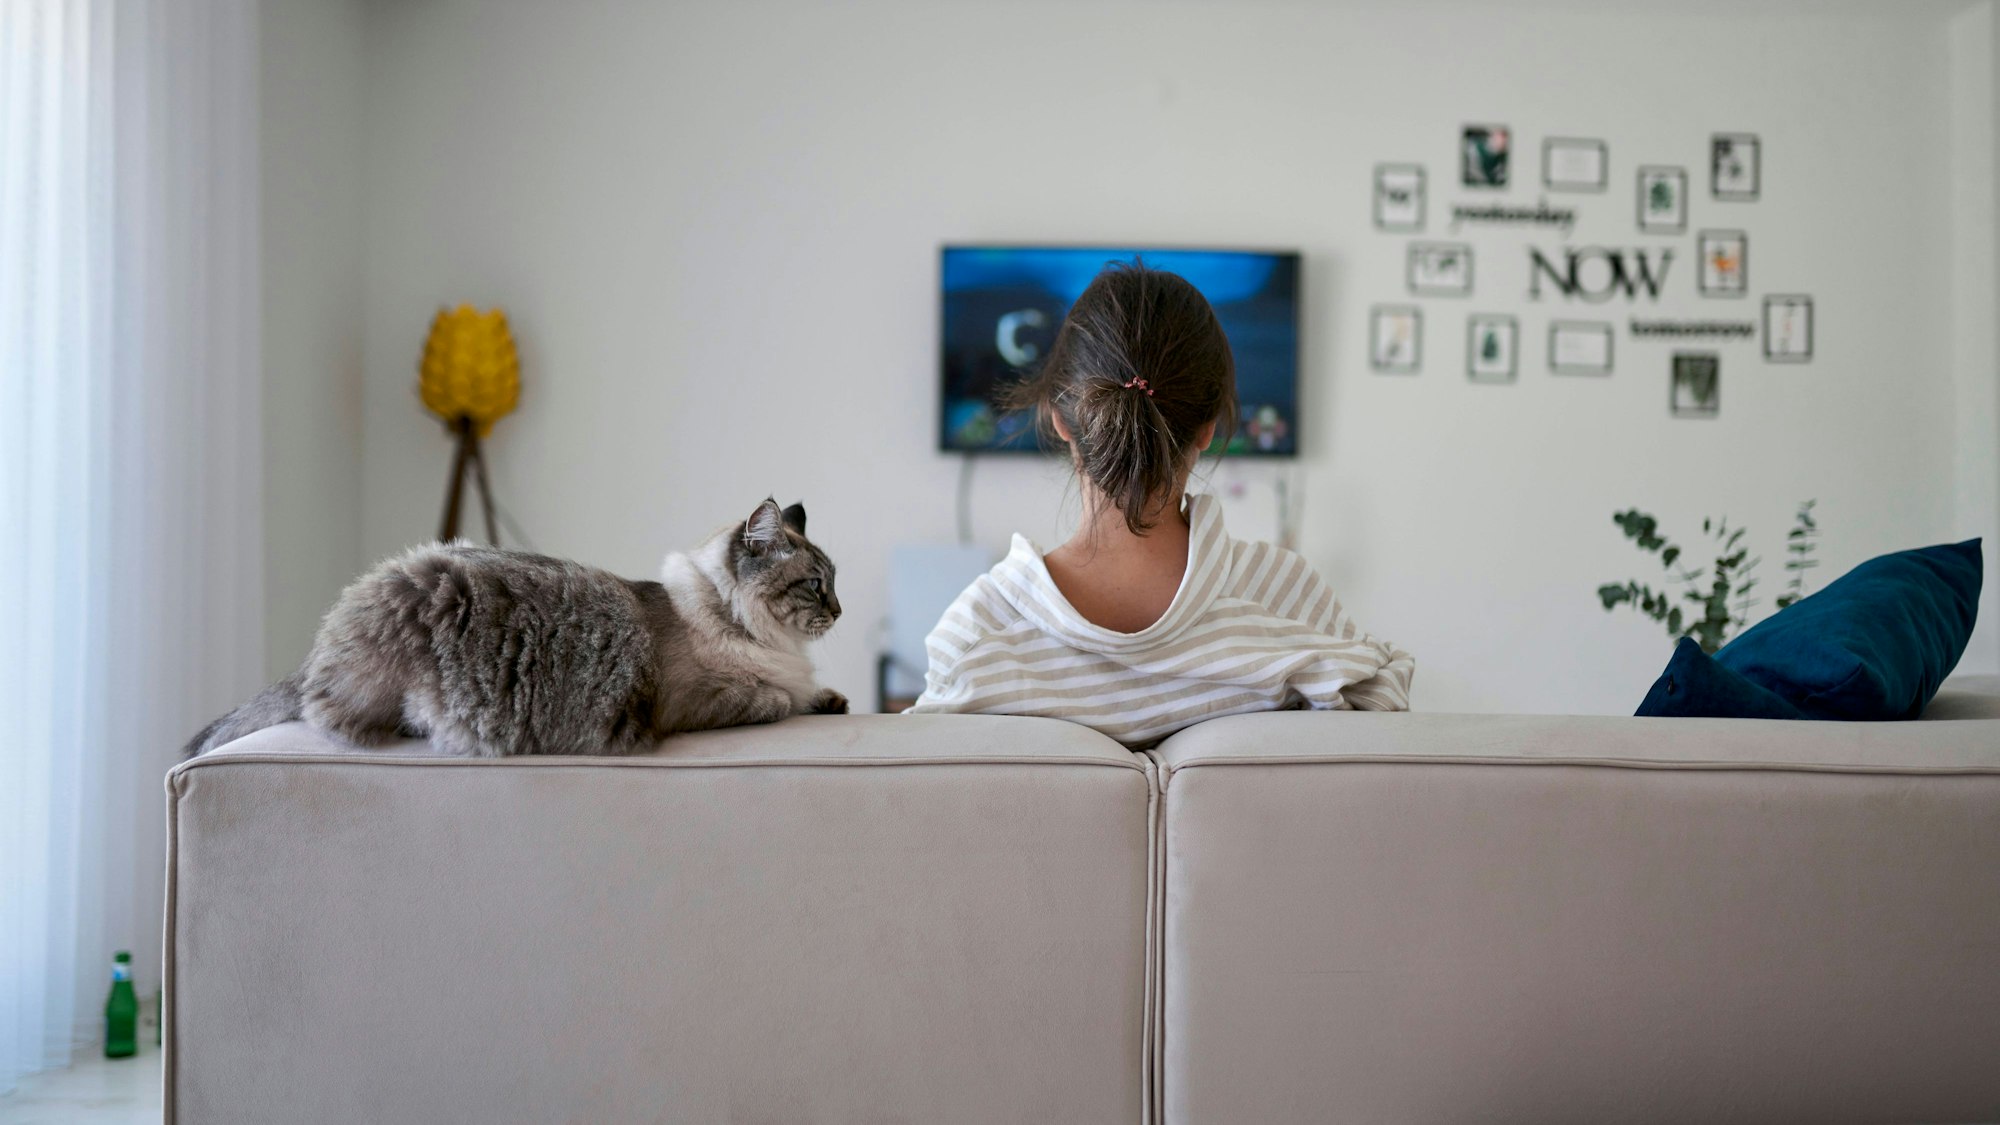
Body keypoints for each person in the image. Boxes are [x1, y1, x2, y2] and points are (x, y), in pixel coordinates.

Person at [907, 261, 1413, 746]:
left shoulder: (978, 636)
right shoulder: (1287, 601)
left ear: (1059, 418)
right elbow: (1384, 736)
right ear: (1209, 428)